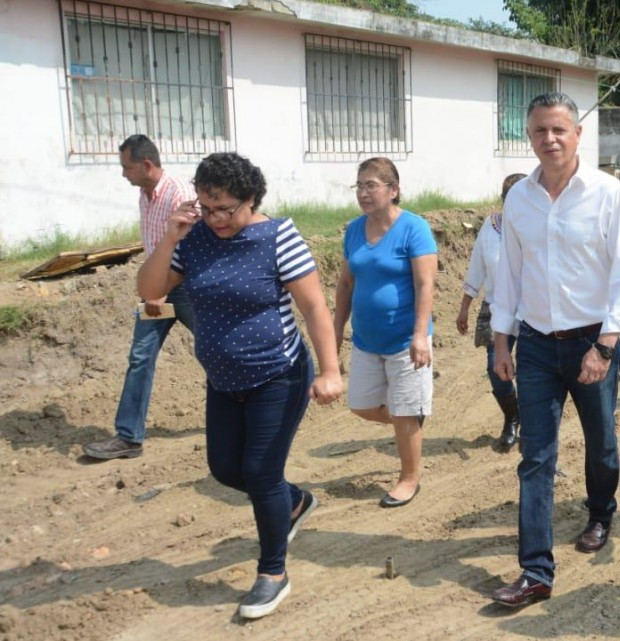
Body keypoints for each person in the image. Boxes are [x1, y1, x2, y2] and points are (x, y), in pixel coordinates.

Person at [136, 152, 342, 619]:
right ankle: (295, 503)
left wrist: (331, 371)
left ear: (251, 199)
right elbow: (149, 291)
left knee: (261, 473)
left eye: (226, 208)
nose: (216, 218)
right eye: (207, 208)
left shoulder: (278, 237)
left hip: (279, 374)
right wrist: (171, 235)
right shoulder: (195, 241)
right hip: (223, 380)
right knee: (226, 470)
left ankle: (273, 573)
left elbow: (314, 309)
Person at [488, 92, 620, 608]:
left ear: (578, 134)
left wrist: (605, 346)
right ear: (529, 138)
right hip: (534, 345)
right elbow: (509, 276)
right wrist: (501, 340)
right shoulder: (519, 199)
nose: (549, 139)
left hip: (591, 342)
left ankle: (600, 512)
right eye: (539, 131)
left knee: (601, 444)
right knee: (536, 459)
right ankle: (536, 571)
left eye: (559, 129)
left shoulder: (607, 193)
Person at [83, 135, 197, 460]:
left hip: (186, 289)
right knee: (140, 358)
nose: (123, 174)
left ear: (147, 165)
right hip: (156, 292)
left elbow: (190, 247)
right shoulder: (145, 196)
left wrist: (163, 287)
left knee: (217, 352)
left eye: (126, 167)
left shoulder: (180, 193)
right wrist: (154, 288)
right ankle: (129, 437)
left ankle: (263, 406)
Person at [334, 157, 438, 508]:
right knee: (361, 405)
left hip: (405, 339)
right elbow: (346, 283)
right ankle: (409, 418)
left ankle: (409, 479)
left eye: (371, 185)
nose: (363, 193)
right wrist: (335, 331)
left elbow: (426, 285)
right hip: (366, 339)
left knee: (405, 413)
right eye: (359, 186)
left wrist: (420, 335)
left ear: (393, 190)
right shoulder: (353, 230)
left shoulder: (414, 228)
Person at [456, 173, 528, 452]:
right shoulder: (491, 227)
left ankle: (534, 428)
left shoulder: (538, 226)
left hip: (533, 312)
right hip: (497, 310)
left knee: (531, 371)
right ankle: (512, 416)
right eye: (508, 199)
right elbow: (477, 268)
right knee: (496, 370)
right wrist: (464, 307)